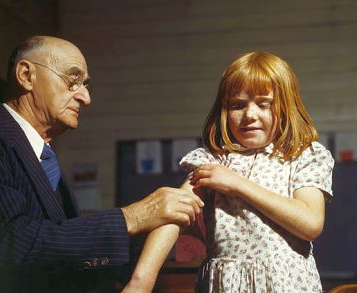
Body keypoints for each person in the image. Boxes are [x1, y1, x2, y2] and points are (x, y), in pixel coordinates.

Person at [0, 36, 204, 292]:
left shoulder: (44, 157)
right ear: (26, 75)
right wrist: (133, 217)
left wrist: (150, 232)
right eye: (73, 81)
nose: (85, 98)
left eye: (85, 85)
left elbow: (65, 257)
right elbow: (9, 242)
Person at [123, 51, 334, 293]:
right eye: (237, 105)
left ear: (286, 107)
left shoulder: (302, 155)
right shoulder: (212, 161)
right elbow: (173, 215)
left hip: (286, 285)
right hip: (225, 285)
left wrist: (237, 184)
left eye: (263, 104)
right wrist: (140, 282)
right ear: (224, 110)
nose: (250, 115)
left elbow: (310, 223)